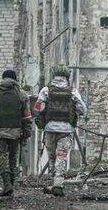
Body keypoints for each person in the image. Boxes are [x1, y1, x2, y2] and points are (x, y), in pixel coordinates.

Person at [33, 65, 86, 197]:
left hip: (50, 129)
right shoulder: (72, 92)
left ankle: (53, 181)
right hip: (67, 129)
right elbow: (82, 109)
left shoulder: (45, 91)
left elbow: (38, 108)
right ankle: (58, 184)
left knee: (52, 156)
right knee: (61, 155)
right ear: (66, 77)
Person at [0, 69, 32, 197]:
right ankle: (11, 184)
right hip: (16, 132)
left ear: (3, 79)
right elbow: (27, 117)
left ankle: (6, 184)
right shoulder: (22, 95)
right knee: (13, 158)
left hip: (0, 132)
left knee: (2, 157)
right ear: (15, 80)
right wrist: (26, 134)